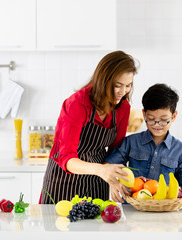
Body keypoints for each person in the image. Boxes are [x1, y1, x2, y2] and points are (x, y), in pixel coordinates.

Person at [39, 51, 139, 204]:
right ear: (103, 81)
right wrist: (101, 170)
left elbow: (116, 151)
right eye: (117, 86)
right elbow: (67, 158)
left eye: (128, 86)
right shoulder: (77, 104)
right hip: (64, 182)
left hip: (96, 183)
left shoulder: (122, 108)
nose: (122, 92)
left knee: (95, 226)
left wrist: (114, 179)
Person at [105, 83, 182, 203]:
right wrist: (116, 182)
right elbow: (107, 166)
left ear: (174, 116)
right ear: (144, 114)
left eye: (163, 120)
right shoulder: (131, 142)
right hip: (133, 207)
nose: (157, 125)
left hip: (165, 210)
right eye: (151, 119)